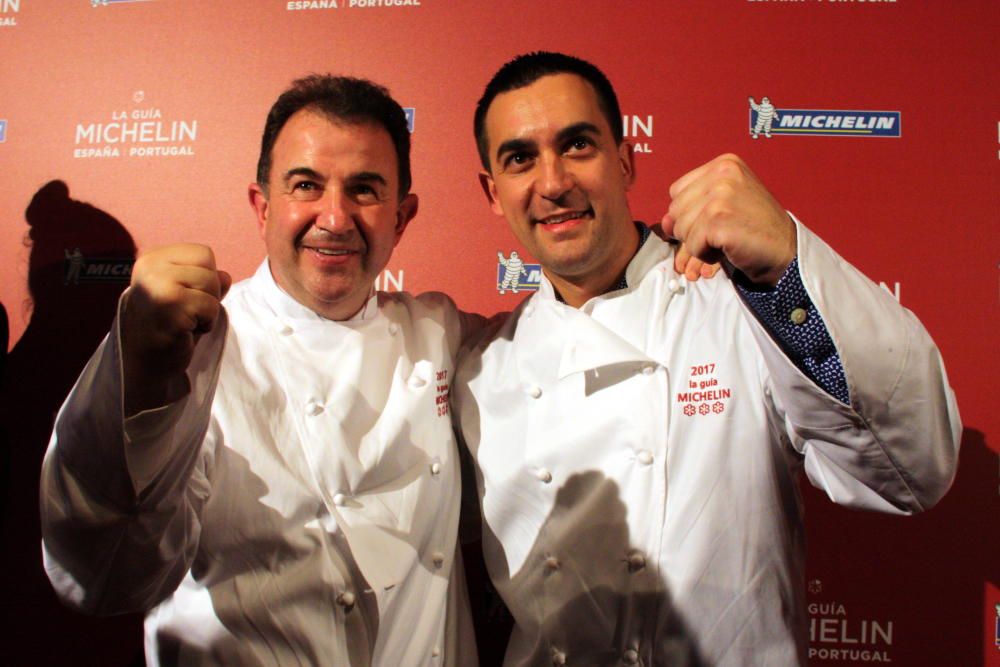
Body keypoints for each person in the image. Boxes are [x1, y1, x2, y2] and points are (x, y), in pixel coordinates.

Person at [452, 52, 961, 665]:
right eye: (519, 158)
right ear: (491, 191)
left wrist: (785, 260)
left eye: (578, 145)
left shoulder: (743, 308)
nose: (553, 181)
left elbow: (915, 468)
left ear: (624, 160)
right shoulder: (481, 367)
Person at [41, 75, 479, 666]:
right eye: (306, 185)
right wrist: (141, 378)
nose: (335, 217)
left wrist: (645, 264)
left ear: (402, 218)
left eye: (365, 190)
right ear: (263, 206)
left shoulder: (438, 333)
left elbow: (553, 337)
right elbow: (105, 578)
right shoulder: (188, 352)